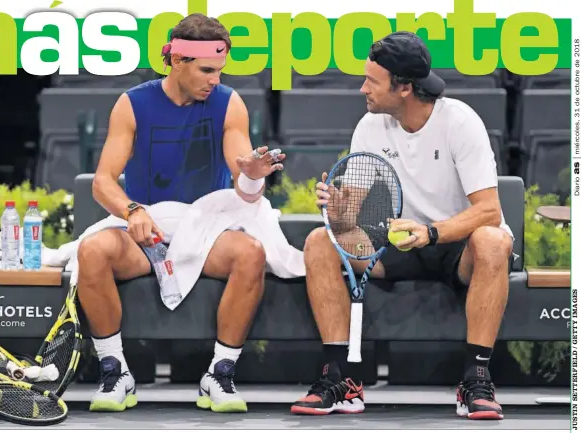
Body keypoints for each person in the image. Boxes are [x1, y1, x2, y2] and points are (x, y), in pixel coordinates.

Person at [291, 31, 513, 420]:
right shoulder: (369, 127)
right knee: (320, 241)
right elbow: (352, 220)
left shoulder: (460, 122)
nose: (363, 88)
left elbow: (489, 211)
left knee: (494, 240)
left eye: (372, 81)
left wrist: (430, 233)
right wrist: (339, 209)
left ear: (405, 87)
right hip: (393, 245)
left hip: (456, 247)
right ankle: (339, 378)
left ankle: (476, 379)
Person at [76, 13, 285, 413]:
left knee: (250, 253)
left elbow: (243, 181)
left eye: (220, 71)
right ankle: (115, 370)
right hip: (145, 228)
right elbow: (102, 182)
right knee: (92, 251)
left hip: (206, 231)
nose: (215, 80)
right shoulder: (132, 104)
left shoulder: (229, 103)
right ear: (176, 62)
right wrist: (132, 210)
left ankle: (219, 374)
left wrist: (253, 176)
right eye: (207, 70)